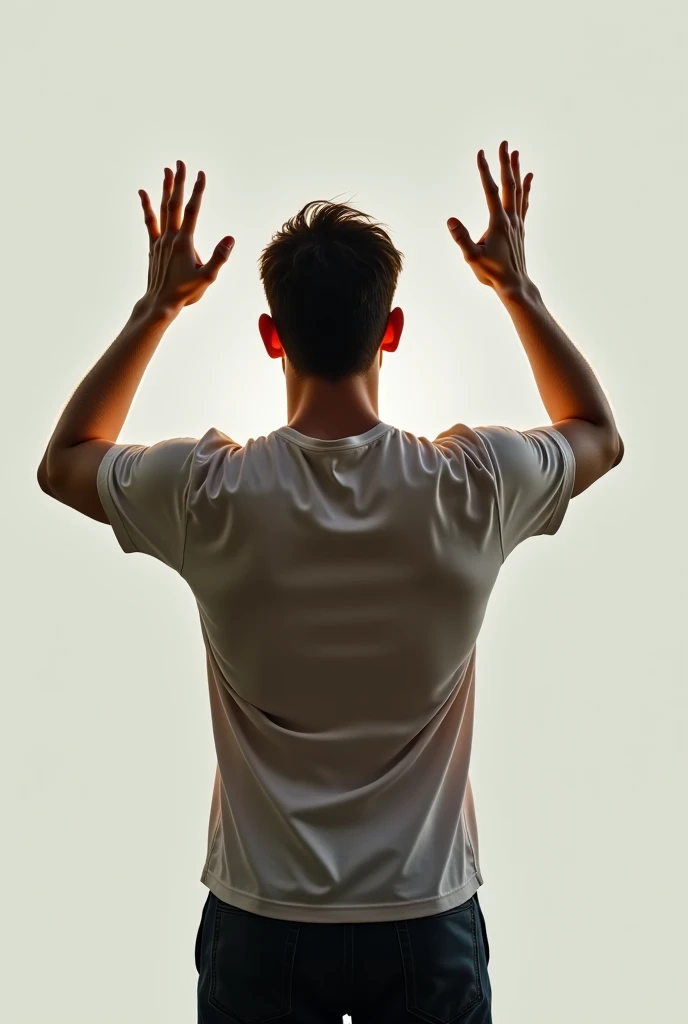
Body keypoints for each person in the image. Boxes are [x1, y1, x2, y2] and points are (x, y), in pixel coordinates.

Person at [38, 141, 623, 1023]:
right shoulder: (473, 485)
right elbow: (596, 435)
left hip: (262, 922)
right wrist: (517, 289)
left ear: (271, 336)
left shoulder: (209, 494)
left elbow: (66, 461)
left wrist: (156, 308)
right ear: (391, 330)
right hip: (426, 918)